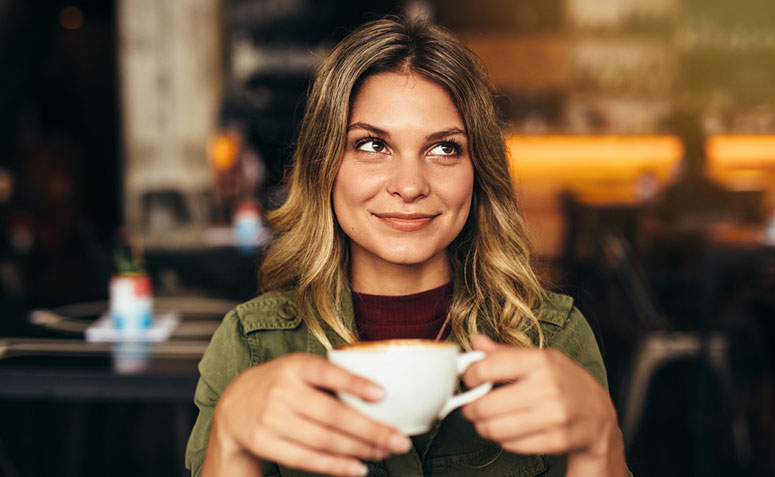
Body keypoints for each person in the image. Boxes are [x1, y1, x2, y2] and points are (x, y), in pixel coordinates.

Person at [186, 14, 629, 477]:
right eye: (373, 145)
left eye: (444, 149)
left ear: (478, 172)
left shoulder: (551, 338)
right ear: (325, 165)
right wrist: (231, 441)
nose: (410, 185)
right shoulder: (252, 346)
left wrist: (601, 442)